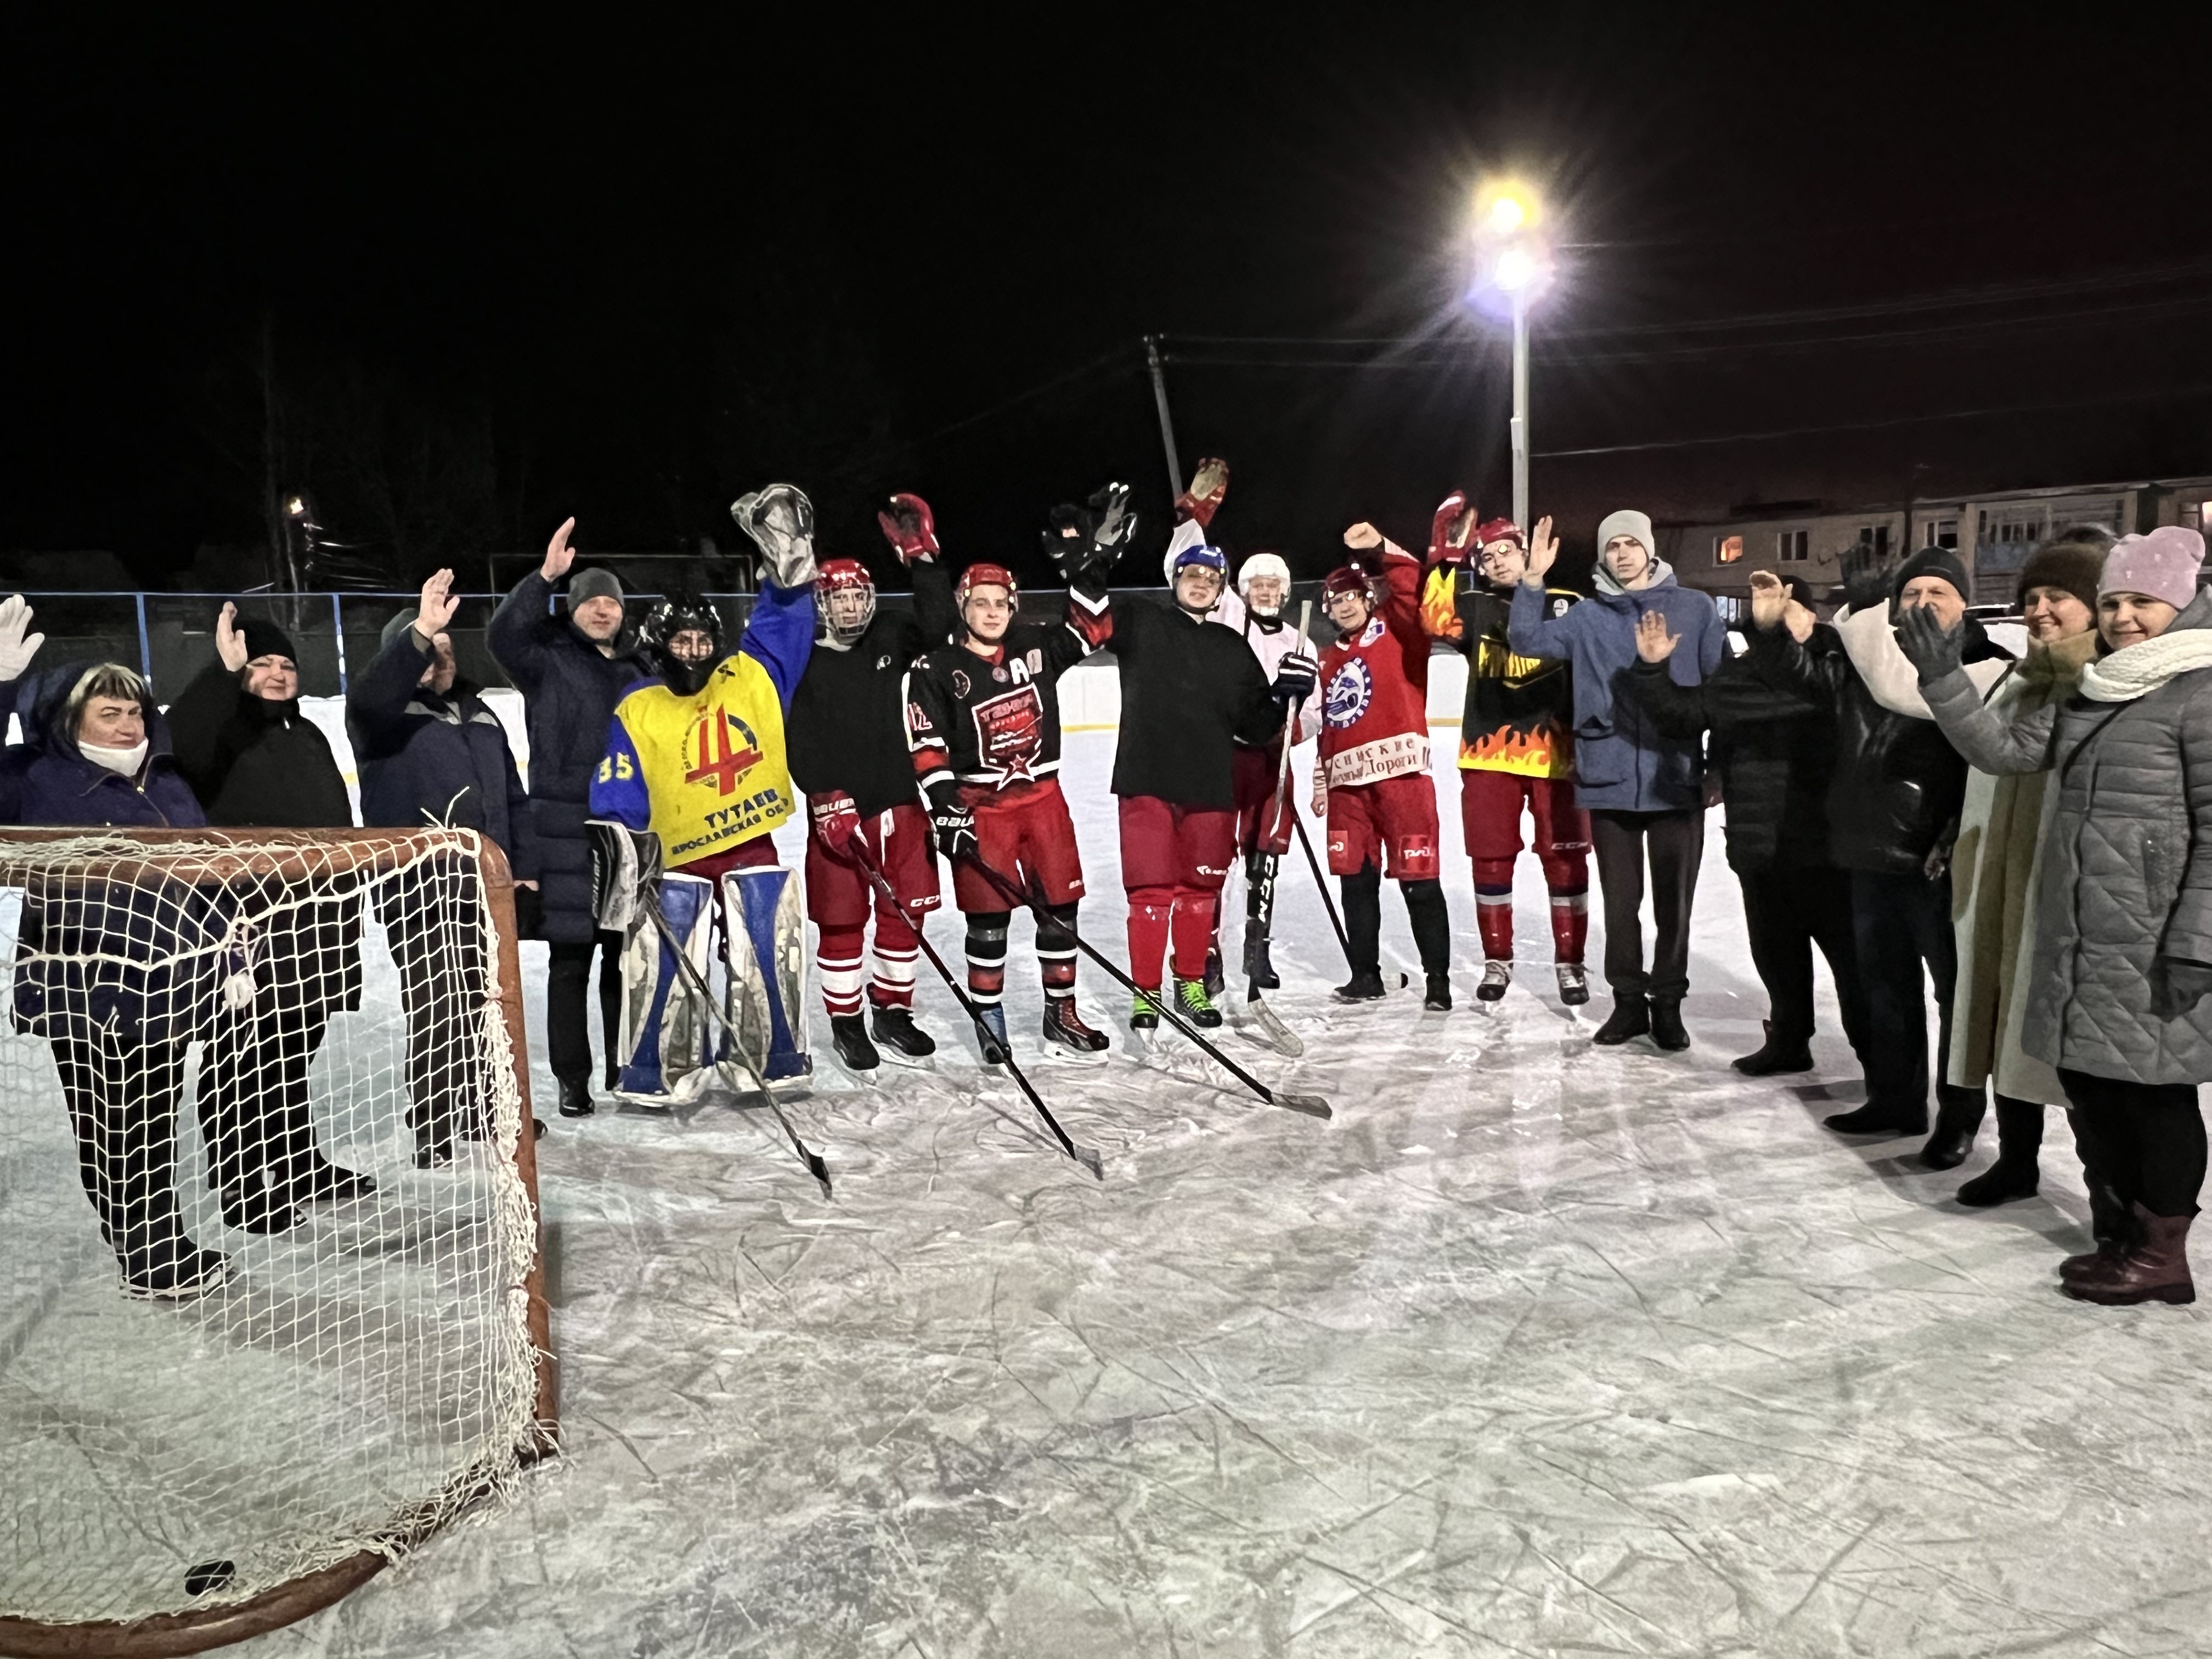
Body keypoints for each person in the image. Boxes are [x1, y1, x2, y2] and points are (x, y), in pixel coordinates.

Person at [1901, 525, 2212, 1305]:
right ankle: (2123, 1239)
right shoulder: (2100, 688)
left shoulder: (2201, 693)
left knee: (2158, 1095)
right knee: (2096, 1087)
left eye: (2144, 601)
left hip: (2159, 939)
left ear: (2183, 603)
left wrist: (2197, 942)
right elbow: (2003, 751)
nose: (2126, 617)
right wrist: (1943, 679)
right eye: (2113, 602)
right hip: (2082, 932)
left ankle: (2163, 1253)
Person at [1742, 543, 2010, 1158]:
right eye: (1910, 594)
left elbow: (1988, 765)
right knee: (1885, 989)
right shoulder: (1868, 662)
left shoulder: (1988, 664)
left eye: (1936, 593)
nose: (1921, 603)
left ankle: (1960, 1117)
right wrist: (1770, 631)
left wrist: (1953, 832)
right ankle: (1895, 1099)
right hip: (1867, 851)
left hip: (1939, 861)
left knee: (1955, 999)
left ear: (1965, 605)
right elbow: (1800, 676)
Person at [1, 615, 232, 1299]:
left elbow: (205, 871)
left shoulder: (165, 783)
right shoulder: (32, 778)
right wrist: (1, 687)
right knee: (112, 1129)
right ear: (73, 719)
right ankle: (146, 1254)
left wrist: (231, 951)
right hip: (85, 989)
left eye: (135, 710)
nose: (129, 724)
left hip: (168, 985)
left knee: (154, 1127)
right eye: (110, 712)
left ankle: (156, 1235)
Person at [590, 486, 816, 1101]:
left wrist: (790, 573)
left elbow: (782, 629)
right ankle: (658, 1067)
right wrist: (621, 844)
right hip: (677, 853)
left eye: (701, 641)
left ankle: (773, 1057)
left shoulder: (747, 677)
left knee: (767, 948)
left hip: (748, 842)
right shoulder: (638, 703)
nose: (692, 651)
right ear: (658, 643)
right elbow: (620, 781)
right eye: (680, 641)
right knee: (666, 958)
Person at [166, 602, 374, 1232]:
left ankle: (295, 1162)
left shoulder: (306, 732)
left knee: (294, 1049)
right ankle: (238, 1184)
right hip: (245, 925)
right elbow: (181, 744)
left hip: (318, 919)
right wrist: (222, 677)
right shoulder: (219, 729)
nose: (279, 674)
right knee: (239, 1056)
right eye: (262, 664)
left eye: (286, 663)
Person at [1618, 572, 1869, 1075]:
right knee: (1777, 956)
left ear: (1807, 613)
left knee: (1855, 967)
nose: (1772, 613)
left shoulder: (1838, 666)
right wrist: (1652, 669)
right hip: (1758, 846)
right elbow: (1686, 715)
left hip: (1827, 848)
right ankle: (1790, 1040)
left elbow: (1812, 698)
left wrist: (1786, 644)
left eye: (1784, 604)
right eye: (1765, 606)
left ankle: (1881, 1066)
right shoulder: (1742, 673)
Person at [904, 494, 1118, 1062]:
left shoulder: (1035, 645)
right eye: (981, 603)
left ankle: (1061, 1011)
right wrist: (946, 808)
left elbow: (1094, 631)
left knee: (1060, 909)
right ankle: (989, 1015)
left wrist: (1084, 569)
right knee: (989, 919)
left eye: (1001, 602)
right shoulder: (936, 668)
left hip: (1044, 800)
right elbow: (926, 746)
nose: (993, 612)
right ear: (962, 605)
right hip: (984, 806)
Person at [1092, 508, 1313, 1031]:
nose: (1202, 584)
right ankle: (1145, 990)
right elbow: (1093, 619)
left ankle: (1189, 982)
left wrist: (1287, 694)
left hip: (1210, 789)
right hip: (1146, 780)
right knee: (1149, 894)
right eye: (1193, 575)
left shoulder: (1232, 647)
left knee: (1199, 893)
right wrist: (1094, 563)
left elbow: (1257, 726)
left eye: (1212, 579)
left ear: (1220, 591)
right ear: (1176, 580)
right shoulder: (1143, 621)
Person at [1510, 510, 1724, 1049]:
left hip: (1676, 778)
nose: (1623, 554)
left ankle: (1668, 1004)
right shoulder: (1586, 617)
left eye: (1632, 544)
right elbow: (1527, 639)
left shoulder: (1694, 609)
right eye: (1613, 547)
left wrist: (1718, 766)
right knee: (1620, 902)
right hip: (1606, 775)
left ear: (1649, 550)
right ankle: (1629, 1003)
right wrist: (1532, 581)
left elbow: (1723, 697)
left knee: (1674, 904)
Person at [1937, 531, 2108, 1201]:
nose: (2040, 609)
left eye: (2059, 597)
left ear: (2095, 605)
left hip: (2057, 881)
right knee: (2000, 1016)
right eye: (2032, 596)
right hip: (1996, 871)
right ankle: (2017, 1160)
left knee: (2063, 1041)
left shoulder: (2104, 679)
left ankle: (2110, 1197)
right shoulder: (2021, 673)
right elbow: (1986, 758)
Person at [347, 569, 539, 1166]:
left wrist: (522, 865)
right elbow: (375, 690)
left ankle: (491, 1107)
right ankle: (433, 1118)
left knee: (491, 998)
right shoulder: (380, 717)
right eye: (429, 651)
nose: (441, 660)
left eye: (448, 649)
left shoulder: (480, 712)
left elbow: (512, 795)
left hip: (488, 884)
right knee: (436, 1001)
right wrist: (420, 631)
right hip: (418, 885)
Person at [784, 493, 956, 1073]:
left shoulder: (889, 636)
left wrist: (922, 558)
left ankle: (893, 1011)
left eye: (861, 595)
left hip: (901, 806)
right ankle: (847, 1021)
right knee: (841, 922)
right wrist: (820, 791)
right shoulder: (803, 660)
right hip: (837, 815)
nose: (854, 606)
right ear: (821, 604)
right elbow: (797, 738)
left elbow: (940, 623)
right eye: (842, 597)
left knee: (905, 916)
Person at [488, 516, 641, 1118]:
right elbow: (503, 637)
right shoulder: (545, 659)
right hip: (564, 828)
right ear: (572, 608)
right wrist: (545, 577)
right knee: (570, 958)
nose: (603, 610)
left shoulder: (638, 670)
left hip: (626, 830)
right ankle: (573, 1078)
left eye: (611, 602)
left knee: (622, 957)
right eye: (591, 601)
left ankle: (626, 1064)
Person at [1423, 513, 1591, 1007]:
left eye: (1505, 552)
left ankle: (1570, 964)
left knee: (1565, 860)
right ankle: (1498, 960)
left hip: (1556, 756)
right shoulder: (1473, 607)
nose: (1497, 561)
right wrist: (1443, 560)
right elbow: (1433, 620)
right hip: (1488, 753)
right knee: (1490, 859)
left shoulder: (1567, 605)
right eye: (1487, 557)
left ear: (1525, 553)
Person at [1314, 506, 1454, 1009]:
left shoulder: (1400, 633)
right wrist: (1319, 776)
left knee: (1419, 882)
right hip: (1348, 787)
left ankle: (1437, 980)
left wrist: (1377, 549)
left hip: (1403, 780)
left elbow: (1412, 589)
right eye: (1336, 599)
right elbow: (1327, 722)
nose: (1345, 605)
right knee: (1356, 882)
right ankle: (1365, 975)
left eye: (1352, 596)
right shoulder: (1325, 658)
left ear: (1367, 598)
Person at [1226, 549, 1320, 992]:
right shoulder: (1229, 628)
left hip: (1275, 759)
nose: (1265, 591)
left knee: (1265, 858)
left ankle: (1256, 948)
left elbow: (1316, 709)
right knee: (1217, 857)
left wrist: (1293, 729)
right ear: (1243, 591)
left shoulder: (1301, 642)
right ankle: (1208, 953)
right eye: (1256, 584)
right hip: (1228, 758)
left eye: (1273, 585)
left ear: (1284, 592)